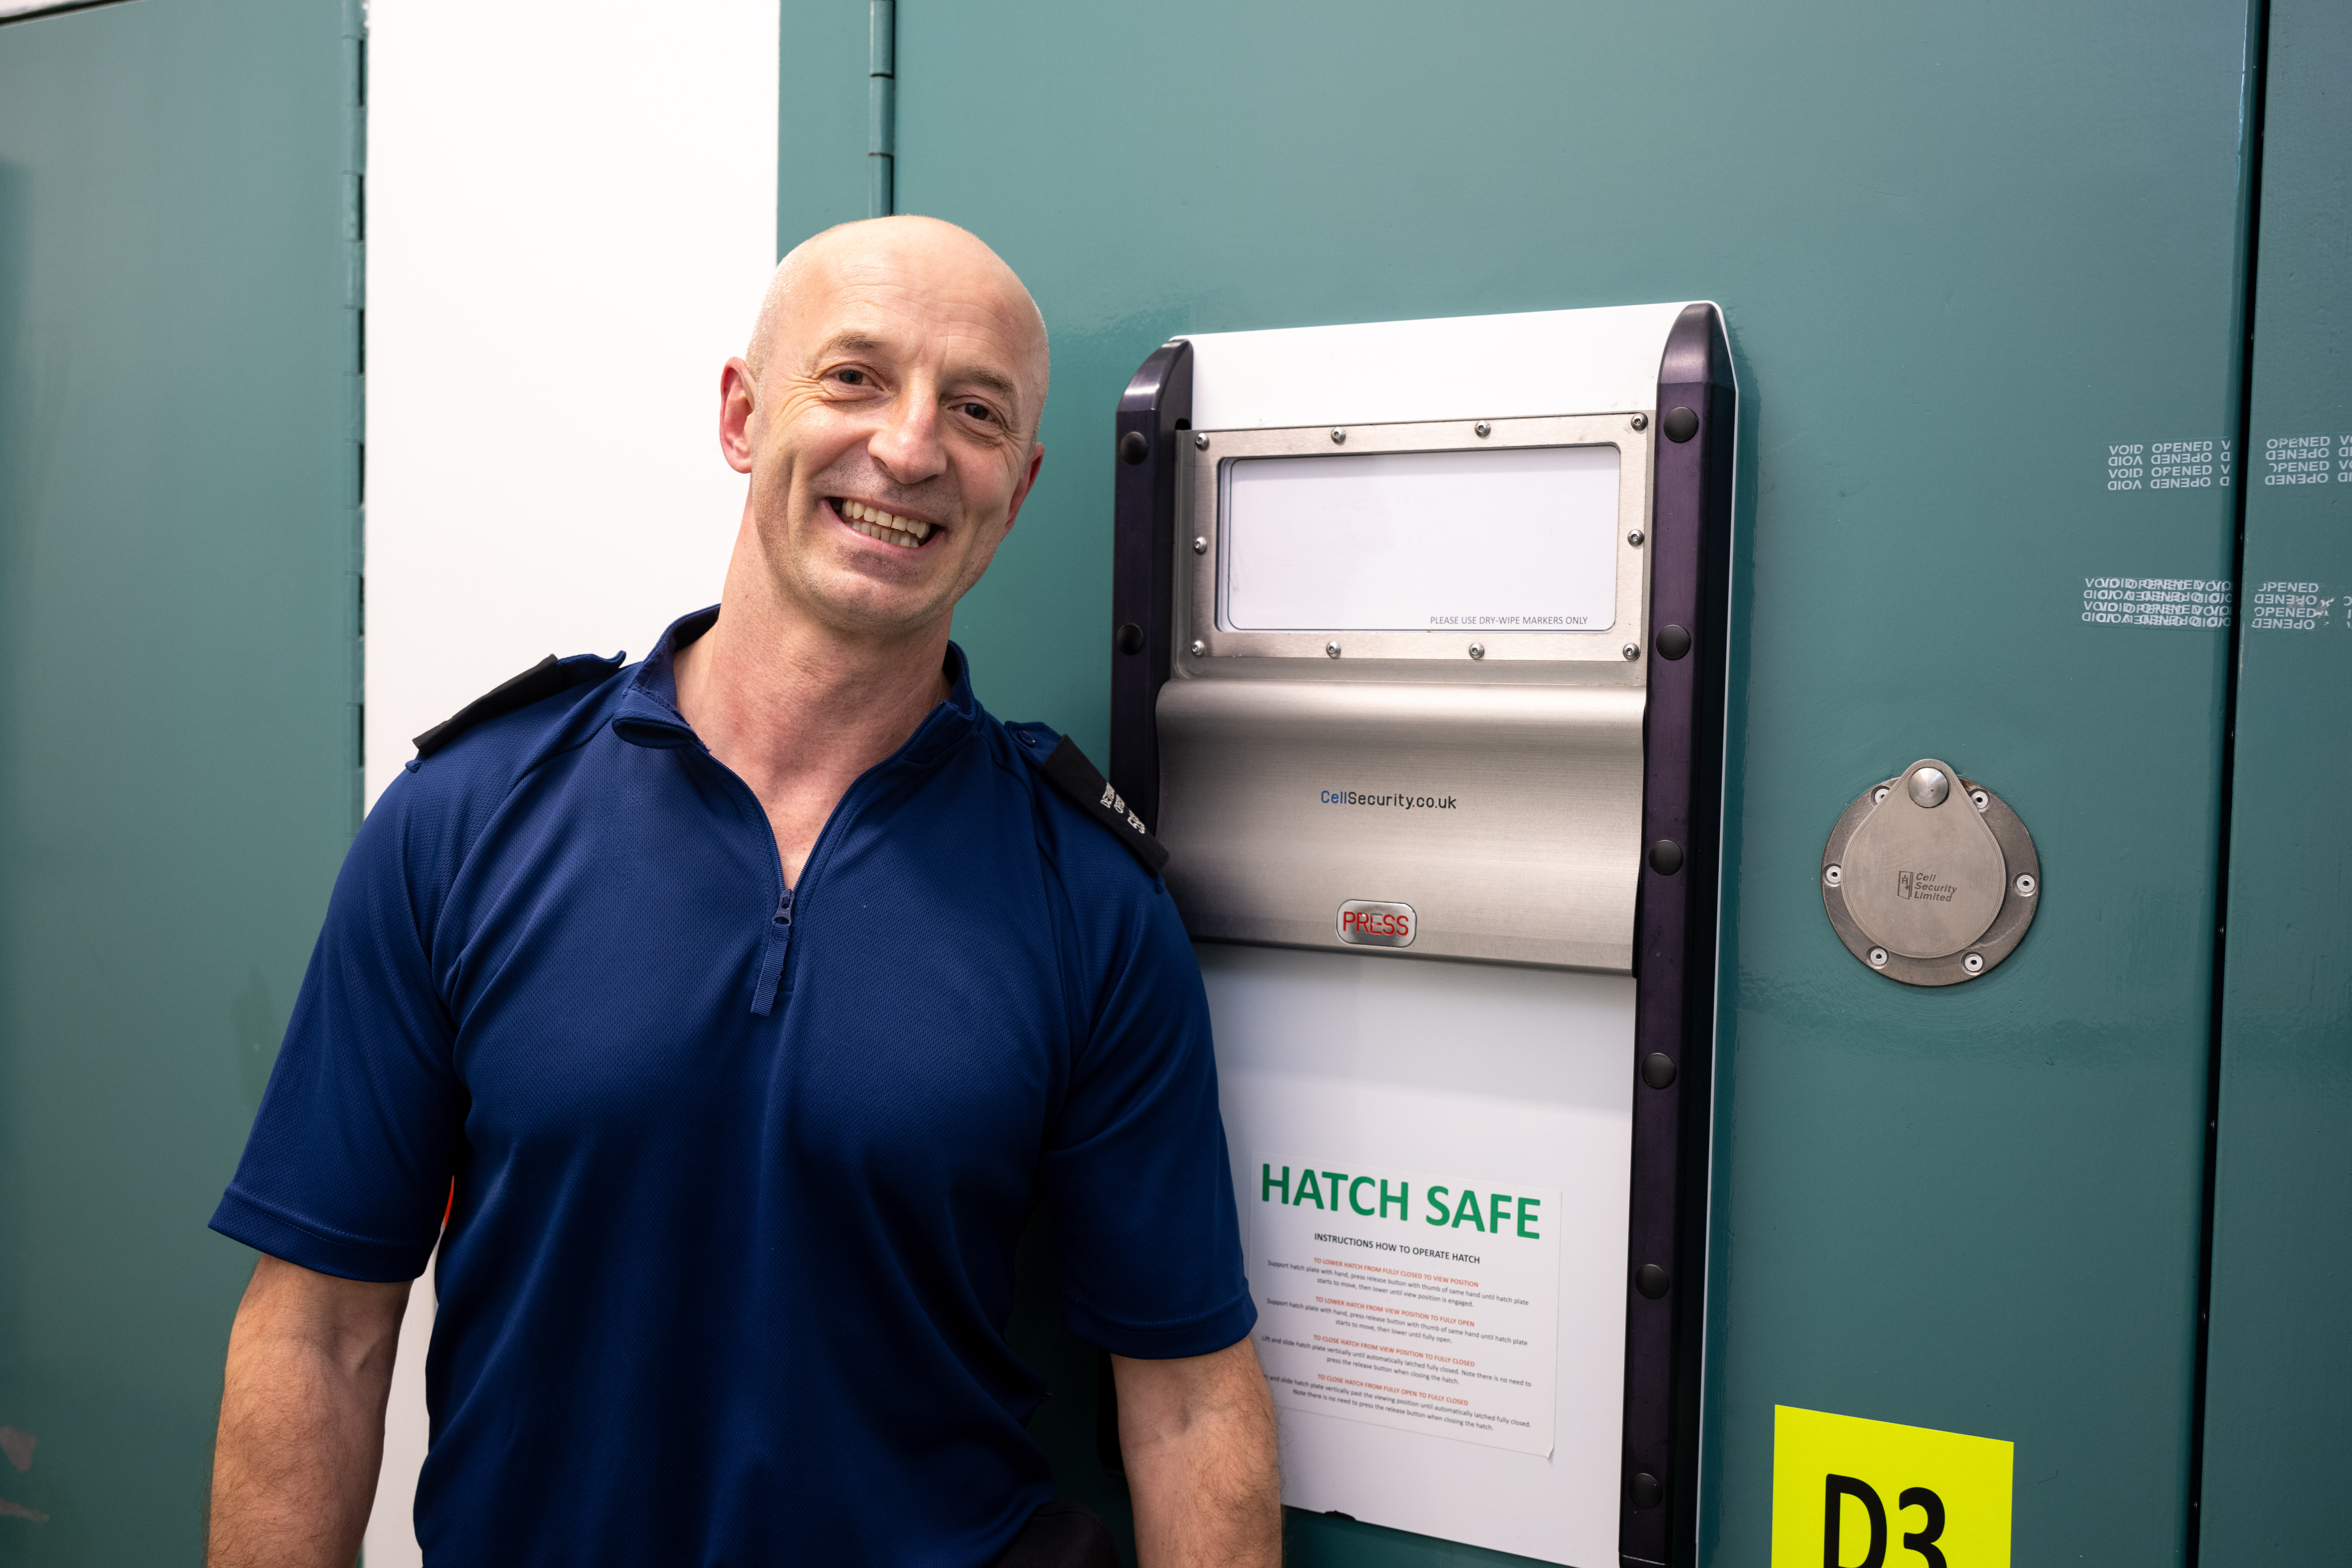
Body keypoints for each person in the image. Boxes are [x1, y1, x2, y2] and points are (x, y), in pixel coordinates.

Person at [204, 215, 1280, 1568]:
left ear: (1015, 486)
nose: (906, 446)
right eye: (853, 378)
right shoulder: (463, 822)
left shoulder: (1089, 898)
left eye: (974, 409)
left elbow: (1187, 1401)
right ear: (740, 412)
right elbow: (318, 1328)